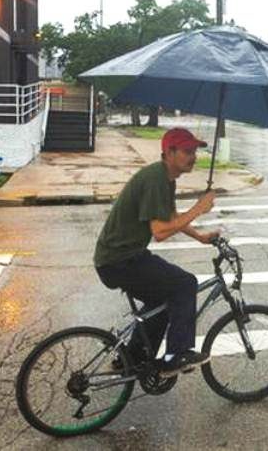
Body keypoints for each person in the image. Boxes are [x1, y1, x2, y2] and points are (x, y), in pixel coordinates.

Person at [94, 128, 219, 377]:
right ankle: (176, 356)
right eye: (187, 151)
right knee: (185, 283)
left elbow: (170, 217)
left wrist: (201, 237)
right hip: (120, 260)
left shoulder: (165, 179)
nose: (193, 156)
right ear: (169, 152)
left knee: (160, 302)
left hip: (121, 257)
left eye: (195, 151)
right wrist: (198, 208)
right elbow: (161, 232)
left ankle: (131, 359)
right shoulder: (155, 179)